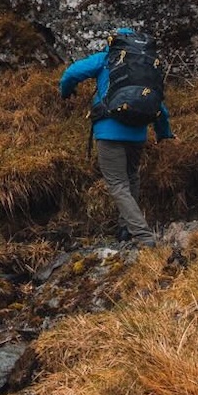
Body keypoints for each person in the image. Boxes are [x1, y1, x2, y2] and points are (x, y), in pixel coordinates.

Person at [60, 27, 173, 246]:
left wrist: (66, 91)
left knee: (118, 184)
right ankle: (125, 230)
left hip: (109, 131)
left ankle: (143, 236)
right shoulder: (146, 66)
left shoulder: (106, 59)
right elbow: (158, 104)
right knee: (131, 177)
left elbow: (71, 73)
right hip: (137, 132)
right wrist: (163, 132)